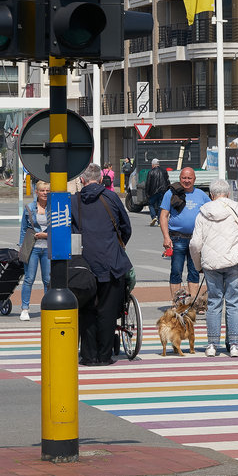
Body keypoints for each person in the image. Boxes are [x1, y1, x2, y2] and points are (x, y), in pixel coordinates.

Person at [70, 163, 133, 368]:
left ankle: (88, 356)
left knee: (86, 310)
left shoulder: (73, 201)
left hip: (84, 266)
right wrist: (115, 244)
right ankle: (105, 356)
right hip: (111, 263)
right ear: (101, 180)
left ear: (82, 180)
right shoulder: (111, 197)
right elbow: (126, 227)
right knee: (107, 311)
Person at [189, 178, 238, 358]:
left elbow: (195, 243)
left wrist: (198, 265)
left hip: (211, 263)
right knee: (234, 303)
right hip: (233, 261)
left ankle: (212, 345)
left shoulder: (203, 212)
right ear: (227, 194)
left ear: (211, 195)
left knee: (214, 303)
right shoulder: (237, 208)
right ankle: (234, 345)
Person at [160, 165, 209, 301]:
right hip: (177, 238)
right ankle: (177, 302)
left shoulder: (201, 195)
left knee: (194, 272)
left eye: (189, 178)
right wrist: (166, 237)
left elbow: (212, 212)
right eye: (184, 178)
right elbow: (163, 216)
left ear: (194, 179)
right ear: (179, 178)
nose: (186, 180)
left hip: (196, 239)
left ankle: (193, 302)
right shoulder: (170, 193)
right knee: (176, 271)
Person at [19, 180, 51, 320]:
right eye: (42, 190)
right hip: (33, 248)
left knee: (48, 280)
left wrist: (46, 235)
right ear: (36, 192)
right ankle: (25, 309)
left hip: (48, 249)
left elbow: (59, 230)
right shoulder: (29, 208)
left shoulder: (54, 208)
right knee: (29, 278)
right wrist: (22, 248)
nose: (45, 193)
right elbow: (23, 230)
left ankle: (47, 308)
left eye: (47, 191)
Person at [144, 158, 170, 225]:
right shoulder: (164, 171)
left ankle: (153, 217)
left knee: (151, 204)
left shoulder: (151, 172)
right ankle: (159, 221)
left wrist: (147, 193)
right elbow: (167, 181)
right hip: (162, 191)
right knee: (160, 206)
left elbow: (148, 183)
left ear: (153, 165)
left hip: (153, 192)